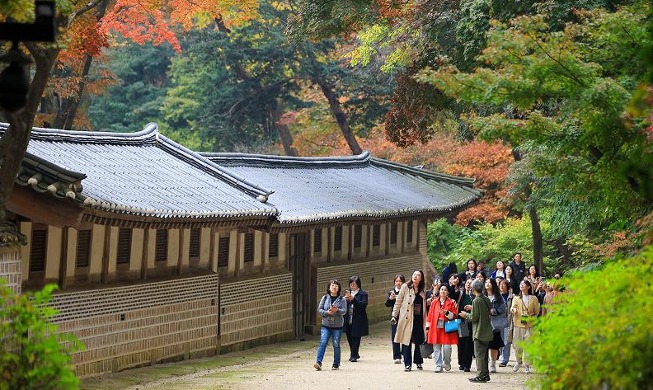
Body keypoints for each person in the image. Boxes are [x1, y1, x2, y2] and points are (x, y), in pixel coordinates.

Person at [391, 270, 427, 372]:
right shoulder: (405, 287)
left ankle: (418, 361)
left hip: (419, 319)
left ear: (421, 278)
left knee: (419, 341)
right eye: (414, 274)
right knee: (407, 341)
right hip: (407, 318)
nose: (415, 276)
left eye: (418, 275)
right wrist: (394, 315)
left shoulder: (422, 290)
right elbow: (398, 302)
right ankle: (407, 364)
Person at [459, 279, 494, 383]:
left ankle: (480, 376)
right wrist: (473, 308)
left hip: (479, 331)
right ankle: (485, 374)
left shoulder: (476, 300)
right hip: (487, 330)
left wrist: (465, 315)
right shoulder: (486, 299)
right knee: (484, 355)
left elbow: (474, 317)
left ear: (473, 289)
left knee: (479, 355)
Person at [314, 279, 348, 371]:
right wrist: (326, 312)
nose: (334, 287)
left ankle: (336, 363)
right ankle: (318, 362)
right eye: (332, 285)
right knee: (323, 342)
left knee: (336, 344)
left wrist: (337, 310)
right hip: (326, 325)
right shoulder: (325, 298)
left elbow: (344, 311)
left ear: (339, 288)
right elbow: (319, 309)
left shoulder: (342, 299)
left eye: (336, 286)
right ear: (329, 288)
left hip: (337, 326)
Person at [425, 285, 458, 372]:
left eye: (445, 290)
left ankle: (447, 362)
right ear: (439, 291)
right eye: (441, 289)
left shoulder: (451, 302)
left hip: (446, 327)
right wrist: (427, 328)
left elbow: (454, 316)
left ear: (448, 293)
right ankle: (438, 365)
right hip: (435, 328)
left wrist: (446, 312)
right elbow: (430, 316)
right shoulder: (434, 302)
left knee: (447, 347)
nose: (443, 291)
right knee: (436, 347)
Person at [510, 280, 540, 374]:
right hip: (518, 324)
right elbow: (512, 307)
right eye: (520, 284)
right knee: (517, 345)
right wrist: (514, 310)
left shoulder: (534, 298)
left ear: (528, 287)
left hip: (530, 325)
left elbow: (537, 311)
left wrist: (532, 317)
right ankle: (518, 362)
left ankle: (527, 365)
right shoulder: (516, 298)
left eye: (523, 284)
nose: (521, 286)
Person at [344, 275, 369, 362]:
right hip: (348, 317)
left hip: (358, 319)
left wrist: (353, 299)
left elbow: (363, 306)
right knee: (349, 336)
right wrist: (345, 300)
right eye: (351, 284)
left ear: (358, 284)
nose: (352, 285)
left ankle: (353, 355)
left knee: (356, 336)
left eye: (354, 284)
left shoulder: (363, 294)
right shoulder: (347, 293)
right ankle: (354, 352)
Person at [485, 278, 507, 373]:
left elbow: (503, 308)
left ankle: (493, 363)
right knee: (484, 345)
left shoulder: (498, 297)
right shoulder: (482, 296)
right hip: (483, 324)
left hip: (495, 324)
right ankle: (485, 363)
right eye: (486, 282)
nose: (487, 284)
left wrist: (494, 311)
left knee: (494, 345)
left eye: (489, 282)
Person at [385, 274, 405, 364]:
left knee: (405, 335)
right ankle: (397, 356)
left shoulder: (406, 291)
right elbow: (387, 304)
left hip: (404, 316)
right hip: (394, 317)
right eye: (397, 281)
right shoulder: (391, 292)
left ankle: (405, 353)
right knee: (395, 336)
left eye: (400, 281)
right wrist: (390, 299)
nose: (398, 283)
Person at [457, 278, 474, 372]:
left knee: (469, 343)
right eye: (467, 282)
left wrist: (472, 308)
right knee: (462, 343)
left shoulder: (474, 296)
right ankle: (461, 363)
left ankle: (467, 364)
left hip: (471, 321)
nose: (468, 284)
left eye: (471, 283)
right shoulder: (461, 294)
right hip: (462, 321)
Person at [498, 278, 514, 367]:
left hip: (508, 321)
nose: (502, 286)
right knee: (499, 340)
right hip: (498, 321)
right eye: (500, 285)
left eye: (504, 285)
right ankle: (501, 356)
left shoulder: (512, 297)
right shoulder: (497, 296)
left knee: (507, 341)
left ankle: (505, 359)